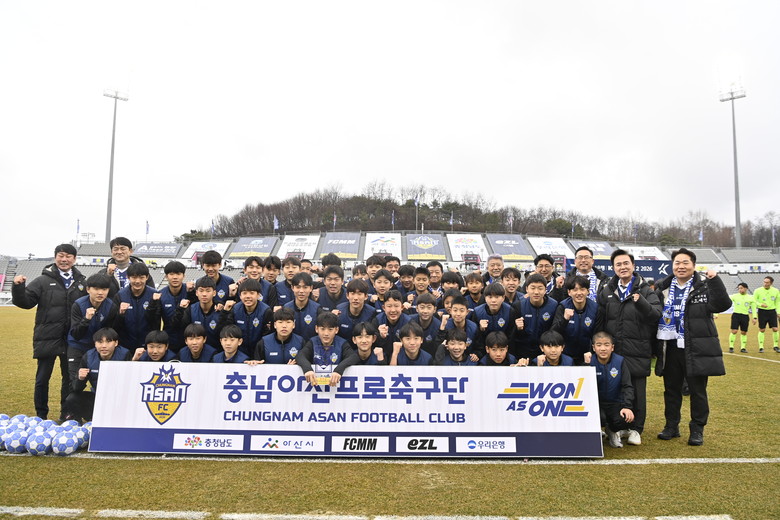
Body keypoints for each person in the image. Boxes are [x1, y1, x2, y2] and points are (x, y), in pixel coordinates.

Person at [654, 248, 731, 446]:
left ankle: (697, 429)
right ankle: (671, 426)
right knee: (671, 390)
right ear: (672, 266)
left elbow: (722, 305)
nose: (681, 266)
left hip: (695, 346)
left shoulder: (703, 286)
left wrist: (715, 281)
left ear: (693, 265)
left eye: (685, 262)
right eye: (677, 263)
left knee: (697, 391)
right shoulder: (662, 287)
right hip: (670, 346)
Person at [12, 243, 87, 420]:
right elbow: (26, 302)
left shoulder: (82, 282)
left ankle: (67, 413)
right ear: (55, 257)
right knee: (42, 379)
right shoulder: (42, 281)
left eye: (68, 256)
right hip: (47, 337)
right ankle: (41, 415)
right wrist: (18, 287)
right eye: (61, 255)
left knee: (69, 379)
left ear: (74, 259)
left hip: (71, 339)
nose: (64, 259)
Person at [594, 249, 661, 446]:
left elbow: (656, 315)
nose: (622, 267)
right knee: (614, 390)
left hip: (638, 349)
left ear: (633, 266)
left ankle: (636, 429)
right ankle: (617, 427)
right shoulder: (607, 290)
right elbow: (600, 321)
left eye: (626, 263)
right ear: (613, 268)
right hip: (614, 351)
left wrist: (641, 303)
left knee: (638, 391)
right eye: (618, 264)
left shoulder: (645, 290)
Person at [64, 328, 131, 423]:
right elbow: (76, 388)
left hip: (119, 399)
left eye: (108, 342)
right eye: (100, 342)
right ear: (95, 344)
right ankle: (80, 422)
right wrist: (80, 378)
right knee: (72, 398)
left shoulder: (124, 354)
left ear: (116, 343)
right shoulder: (88, 356)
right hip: (97, 397)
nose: (104, 346)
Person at [583, 331, 635, 449]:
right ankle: (596, 431)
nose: (603, 348)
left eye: (606, 345)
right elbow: (583, 387)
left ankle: (612, 431)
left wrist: (627, 406)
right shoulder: (589, 362)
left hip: (615, 403)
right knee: (600, 418)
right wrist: (586, 365)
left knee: (625, 419)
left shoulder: (620, 361)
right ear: (593, 348)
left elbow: (627, 385)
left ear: (612, 347)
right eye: (599, 345)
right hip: (596, 404)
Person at [67, 273, 119, 389]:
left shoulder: (111, 307)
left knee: (103, 382)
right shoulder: (78, 305)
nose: (100, 293)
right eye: (96, 289)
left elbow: (109, 332)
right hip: (77, 346)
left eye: (104, 289)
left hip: (98, 348)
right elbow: (76, 334)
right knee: (74, 383)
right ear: (88, 289)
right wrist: (86, 319)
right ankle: (70, 401)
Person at [297, 312, 357, 386]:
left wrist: (339, 370)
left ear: (336, 330)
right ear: (316, 329)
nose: (326, 333)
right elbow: (301, 355)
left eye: (330, 329)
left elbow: (353, 357)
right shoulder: (313, 342)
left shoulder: (342, 343)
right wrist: (307, 369)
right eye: (322, 329)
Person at [551, 275, 598, 365]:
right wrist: (565, 320)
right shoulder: (563, 306)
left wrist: (591, 352)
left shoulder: (595, 308)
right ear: (569, 292)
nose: (579, 293)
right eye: (575, 290)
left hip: (587, 356)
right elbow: (553, 333)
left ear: (588, 291)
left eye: (582, 289)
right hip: (565, 356)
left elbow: (597, 333)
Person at [146, 260, 190, 352]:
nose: (175, 277)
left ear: (184, 276)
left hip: (189, 340)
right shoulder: (161, 295)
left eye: (178, 274)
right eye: (171, 274)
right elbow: (154, 320)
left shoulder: (190, 292)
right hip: (169, 340)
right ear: (166, 276)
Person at [512, 274, 558, 360]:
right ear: (527, 289)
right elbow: (512, 334)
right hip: (523, 351)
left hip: (545, 350)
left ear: (545, 290)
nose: (536, 292)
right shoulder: (518, 305)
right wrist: (518, 328)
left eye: (540, 288)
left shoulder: (553, 305)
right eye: (532, 288)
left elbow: (555, 330)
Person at [224, 279, 273, 356]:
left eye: (252, 293)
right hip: (239, 352)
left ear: (258, 295)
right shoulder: (236, 309)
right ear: (240, 296)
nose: (248, 296)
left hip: (259, 352)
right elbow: (229, 330)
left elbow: (267, 336)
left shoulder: (266, 311)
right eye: (244, 293)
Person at [115, 262, 157, 351]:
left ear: (147, 277)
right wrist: (121, 314)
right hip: (125, 346)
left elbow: (157, 321)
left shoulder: (154, 295)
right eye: (134, 277)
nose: (137, 281)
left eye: (141, 277)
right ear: (128, 277)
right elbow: (114, 324)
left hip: (148, 345)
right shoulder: (120, 295)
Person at [173, 276, 223, 349]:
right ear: (196, 293)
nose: (204, 294)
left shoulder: (220, 311)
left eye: (208, 291)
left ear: (214, 293)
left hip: (216, 351)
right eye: (201, 291)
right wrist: (180, 309)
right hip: (194, 351)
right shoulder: (191, 310)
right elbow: (177, 327)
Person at [336, 279, 376, 344]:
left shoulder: (371, 313)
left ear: (366, 296)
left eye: (359, 294)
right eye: (352, 293)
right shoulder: (339, 310)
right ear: (347, 295)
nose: (355, 298)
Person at [374, 290, 412, 360]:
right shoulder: (377, 320)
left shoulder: (409, 322)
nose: (393, 310)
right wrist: (381, 337)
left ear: (402, 307)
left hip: (403, 358)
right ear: (384, 308)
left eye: (396, 306)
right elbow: (373, 345)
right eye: (389, 306)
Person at [283, 272, 320, 342]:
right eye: (298, 287)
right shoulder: (286, 308)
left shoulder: (317, 309)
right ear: (292, 288)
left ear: (311, 288)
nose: (301, 291)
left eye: (305, 287)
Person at [753, 276, 780, 353]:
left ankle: (776, 346)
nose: (765, 284)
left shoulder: (776, 291)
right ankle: (761, 347)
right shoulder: (757, 290)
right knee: (762, 329)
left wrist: (778, 312)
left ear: (771, 283)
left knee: (775, 329)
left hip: (772, 312)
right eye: (764, 282)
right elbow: (754, 301)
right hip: (762, 312)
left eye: (767, 282)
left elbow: (777, 302)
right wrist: (760, 304)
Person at [729, 282, 754, 353]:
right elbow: (725, 300)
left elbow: (754, 307)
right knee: (734, 331)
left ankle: (743, 348)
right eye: (739, 288)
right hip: (736, 315)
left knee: (744, 332)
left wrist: (754, 317)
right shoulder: (734, 296)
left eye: (741, 288)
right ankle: (731, 347)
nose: (740, 290)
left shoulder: (750, 297)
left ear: (746, 288)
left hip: (745, 316)